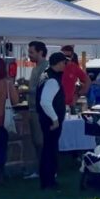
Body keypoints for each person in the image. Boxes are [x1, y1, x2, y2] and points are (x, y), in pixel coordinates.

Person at [36, 52, 68, 190]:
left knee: (48, 149)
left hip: (45, 119)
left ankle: (48, 179)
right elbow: (45, 102)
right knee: (50, 150)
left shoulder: (45, 75)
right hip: (50, 121)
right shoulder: (52, 80)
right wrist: (55, 120)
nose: (65, 65)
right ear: (60, 63)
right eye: (64, 63)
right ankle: (49, 181)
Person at [25, 41, 49, 179]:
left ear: (41, 52)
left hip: (40, 110)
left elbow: (42, 88)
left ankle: (45, 170)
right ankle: (41, 169)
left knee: (41, 142)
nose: (29, 55)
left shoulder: (45, 67)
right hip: (33, 108)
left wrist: (27, 90)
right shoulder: (36, 67)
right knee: (37, 141)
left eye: (31, 52)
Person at [60, 46, 91, 112]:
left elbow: (88, 81)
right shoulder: (56, 67)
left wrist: (79, 93)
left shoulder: (73, 67)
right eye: (63, 56)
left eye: (68, 56)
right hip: (57, 103)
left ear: (72, 56)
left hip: (71, 104)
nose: (66, 59)